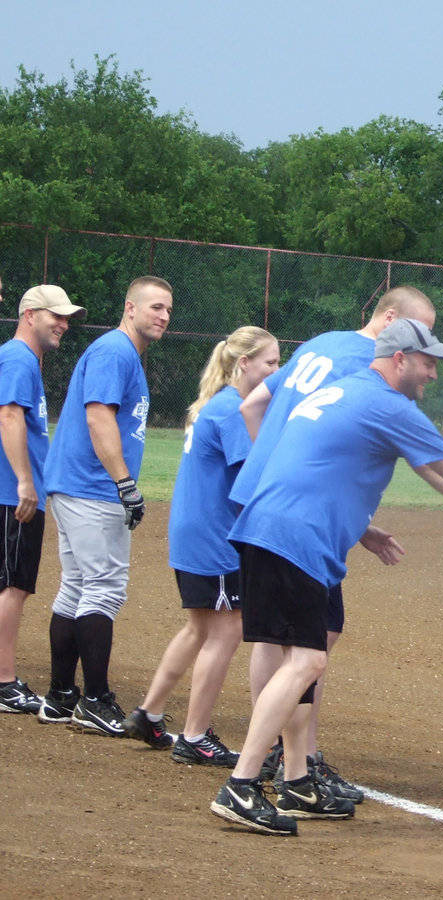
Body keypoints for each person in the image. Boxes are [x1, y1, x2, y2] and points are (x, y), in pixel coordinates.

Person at [210, 317, 443, 836]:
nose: (434, 375)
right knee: (307, 659)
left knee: (299, 657)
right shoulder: (388, 405)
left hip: (270, 527)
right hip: (295, 539)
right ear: (399, 359)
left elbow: (315, 467)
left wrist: (361, 528)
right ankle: (241, 785)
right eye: (428, 363)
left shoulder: (347, 389)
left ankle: (295, 780)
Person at [122, 326, 280, 765]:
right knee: (225, 633)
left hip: (194, 530)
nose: (276, 370)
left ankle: (149, 712)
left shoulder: (215, 404)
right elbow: (252, 482)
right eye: (270, 362)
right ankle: (193, 736)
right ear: (243, 363)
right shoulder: (231, 410)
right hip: (216, 537)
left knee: (199, 628)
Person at [37, 276, 172, 734]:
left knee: (77, 585)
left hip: (78, 484)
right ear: (129, 307)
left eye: (168, 310)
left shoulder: (121, 353)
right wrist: (125, 483)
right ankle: (94, 699)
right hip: (92, 486)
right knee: (104, 588)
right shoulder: (116, 350)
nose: (163, 316)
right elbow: (99, 417)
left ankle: (60, 696)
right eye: (155, 306)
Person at [0, 282, 86, 714]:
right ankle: (3, 681)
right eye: (57, 316)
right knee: (13, 584)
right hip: (10, 491)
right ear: (30, 314)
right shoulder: (18, 357)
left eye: (67, 317)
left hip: (8, 488)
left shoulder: (19, 358)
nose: (64, 324)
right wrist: (24, 481)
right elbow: (10, 415)